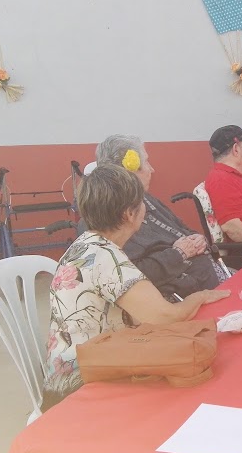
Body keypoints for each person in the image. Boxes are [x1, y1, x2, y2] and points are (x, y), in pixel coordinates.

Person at [42, 165, 229, 408]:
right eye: (142, 203)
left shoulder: (88, 244)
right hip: (80, 385)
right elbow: (166, 317)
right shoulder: (107, 258)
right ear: (129, 214)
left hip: (84, 364)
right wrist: (201, 296)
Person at [94, 135, 225, 298]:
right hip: (181, 296)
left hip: (208, 275)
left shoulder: (145, 198)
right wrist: (179, 253)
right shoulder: (112, 219)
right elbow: (131, 276)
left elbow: (181, 227)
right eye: (146, 162)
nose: (152, 169)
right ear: (130, 170)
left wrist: (197, 239)